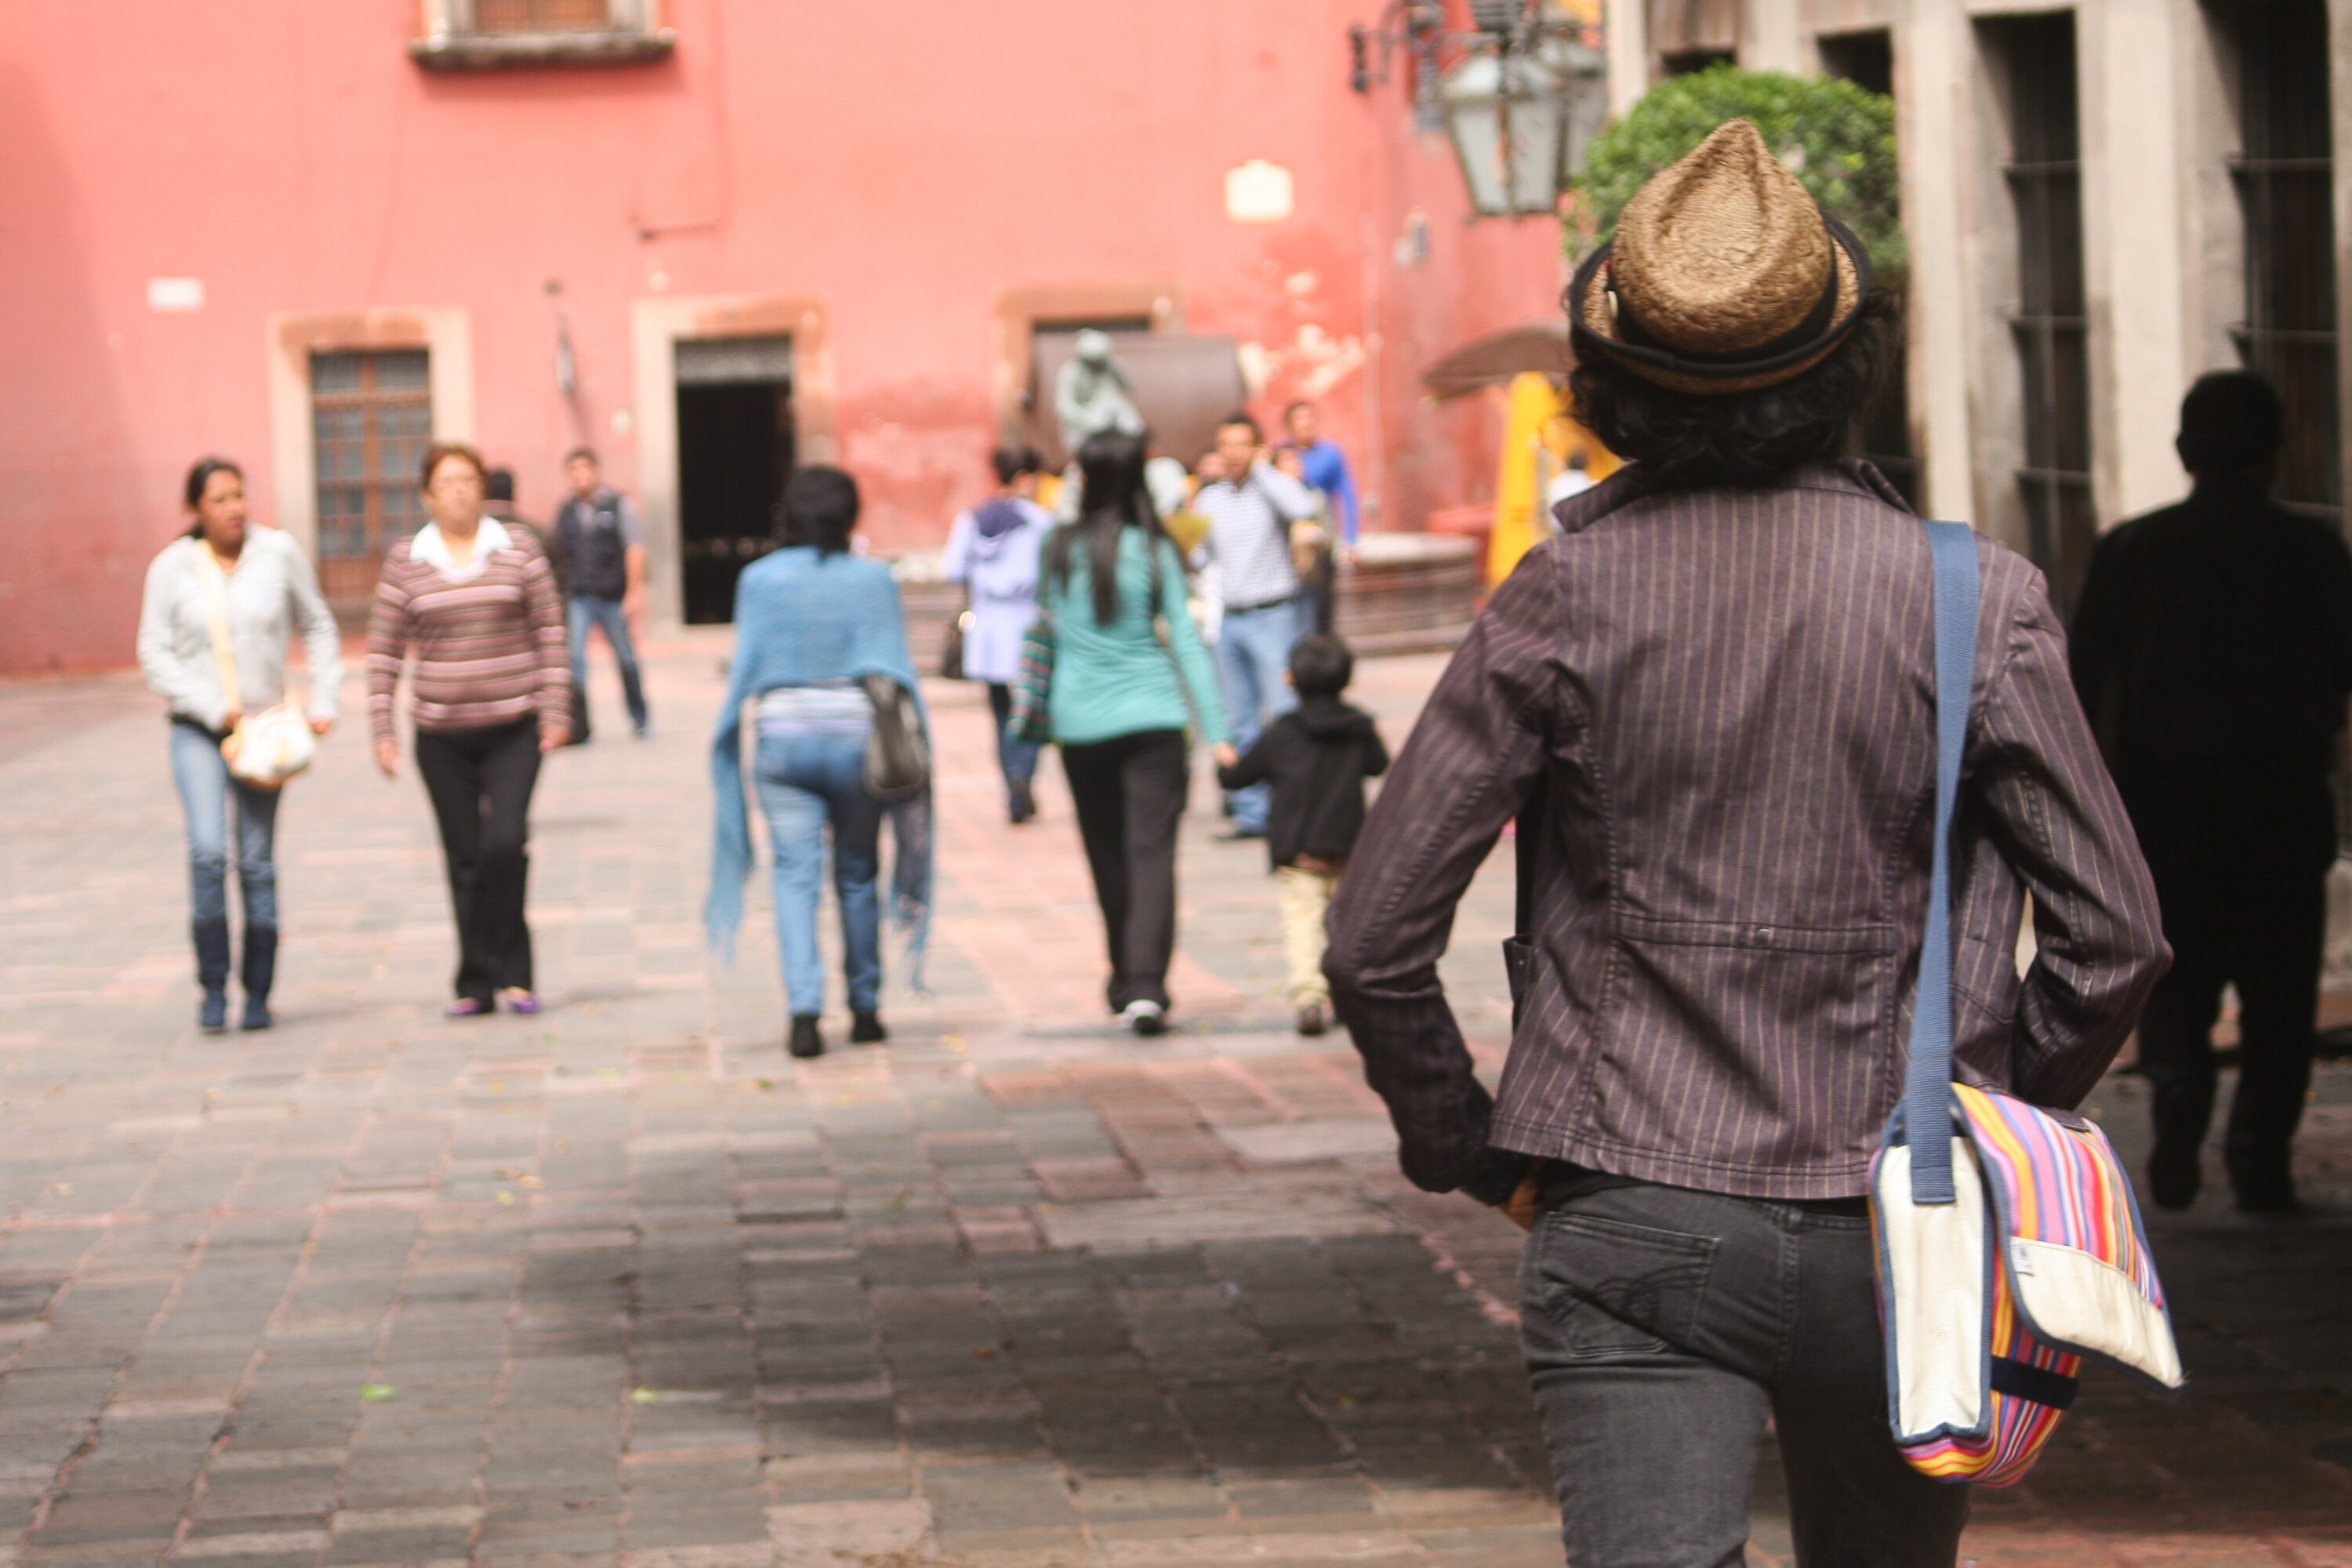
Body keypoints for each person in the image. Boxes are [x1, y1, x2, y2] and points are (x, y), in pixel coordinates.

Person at [1323, 121, 2167, 1567]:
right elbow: (2118, 938)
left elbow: (1373, 938)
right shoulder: (1979, 599)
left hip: (1630, 1205)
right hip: (1906, 1216)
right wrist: (1998, 1106)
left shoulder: (1561, 598)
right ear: (1851, 365)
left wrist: (1471, 1146)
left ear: (1613, 384)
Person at [2069, 370, 2352, 1214]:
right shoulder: (2315, 552)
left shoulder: (2133, 549)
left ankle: (2179, 1121)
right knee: (2279, 991)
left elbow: (2082, 682)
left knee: (2177, 983)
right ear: (2276, 452)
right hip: (2282, 796)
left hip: (2169, 806)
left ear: (2186, 451)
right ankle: (2260, 1157)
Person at [706, 466, 931, 1061]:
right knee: (857, 874)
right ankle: (865, 1008)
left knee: (794, 876)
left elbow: (747, 664)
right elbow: (895, 669)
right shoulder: (873, 579)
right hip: (858, 741)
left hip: (783, 742)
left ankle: (803, 1012)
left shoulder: (759, 580)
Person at [136, 456, 341, 1033]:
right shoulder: (172, 568)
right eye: (220, 499)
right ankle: (211, 987)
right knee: (207, 852)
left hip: (264, 732)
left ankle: (257, 993)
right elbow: (154, 651)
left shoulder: (277, 553)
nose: (234, 508)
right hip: (200, 732)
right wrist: (209, 705)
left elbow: (319, 624)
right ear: (196, 507)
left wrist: (323, 702)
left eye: (240, 496)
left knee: (256, 862)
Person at [368, 441, 570, 1018]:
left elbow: (551, 631)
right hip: (441, 736)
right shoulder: (406, 560)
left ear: (483, 489)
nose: (459, 490)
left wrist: (556, 711)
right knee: (465, 856)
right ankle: (475, 978)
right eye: (447, 481)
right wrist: (382, 731)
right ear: (427, 495)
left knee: (505, 843)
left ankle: (518, 971)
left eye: (468, 479)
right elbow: (384, 652)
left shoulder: (520, 550)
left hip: (515, 726)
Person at [1039, 431, 1229, 1036]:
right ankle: (1147, 985)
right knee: (1152, 854)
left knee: (1107, 856)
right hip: (1155, 718)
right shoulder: (1156, 548)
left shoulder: (1057, 547)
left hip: (1081, 723)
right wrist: (1219, 730)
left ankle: (1123, 978)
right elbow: (1187, 639)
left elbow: (1044, 630)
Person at [1213, 633, 1387, 1037]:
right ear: (1348, 681)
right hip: (1347, 850)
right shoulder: (1359, 727)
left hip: (1299, 853)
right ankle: (1348, 997)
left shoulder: (1283, 732)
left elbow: (1240, 777)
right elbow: (1378, 765)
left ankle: (1310, 998)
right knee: (1346, 927)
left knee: (1304, 924)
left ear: (1289, 679)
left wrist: (1224, 763)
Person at [1192, 413, 1323, 840]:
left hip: (1274, 614)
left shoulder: (1271, 492)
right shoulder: (1210, 500)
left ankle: (1295, 808)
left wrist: (1263, 470)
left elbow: (1305, 508)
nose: (1232, 453)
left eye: (1241, 444)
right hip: (1230, 618)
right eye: (1225, 445)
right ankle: (1252, 813)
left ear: (1256, 448)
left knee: (1285, 713)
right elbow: (1200, 556)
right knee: (1240, 718)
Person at [942, 445, 1052, 823]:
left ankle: (1011, 786)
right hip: (1027, 624)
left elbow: (953, 568)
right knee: (1033, 709)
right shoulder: (1038, 521)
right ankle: (1023, 774)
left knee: (1001, 714)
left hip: (987, 626)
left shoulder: (973, 519)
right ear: (1024, 478)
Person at [553, 448, 651, 740]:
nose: (581, 475)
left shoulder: (617, 505)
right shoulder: (566, 511)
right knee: (576, 661)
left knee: (626, 658)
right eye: (574, 470)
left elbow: (635, 548)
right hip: (579, 597)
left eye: (585, 468)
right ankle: (581, 727)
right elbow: (560, 555)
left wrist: (634, 592)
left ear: (596, 471)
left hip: (611, 596)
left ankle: (640, 718)